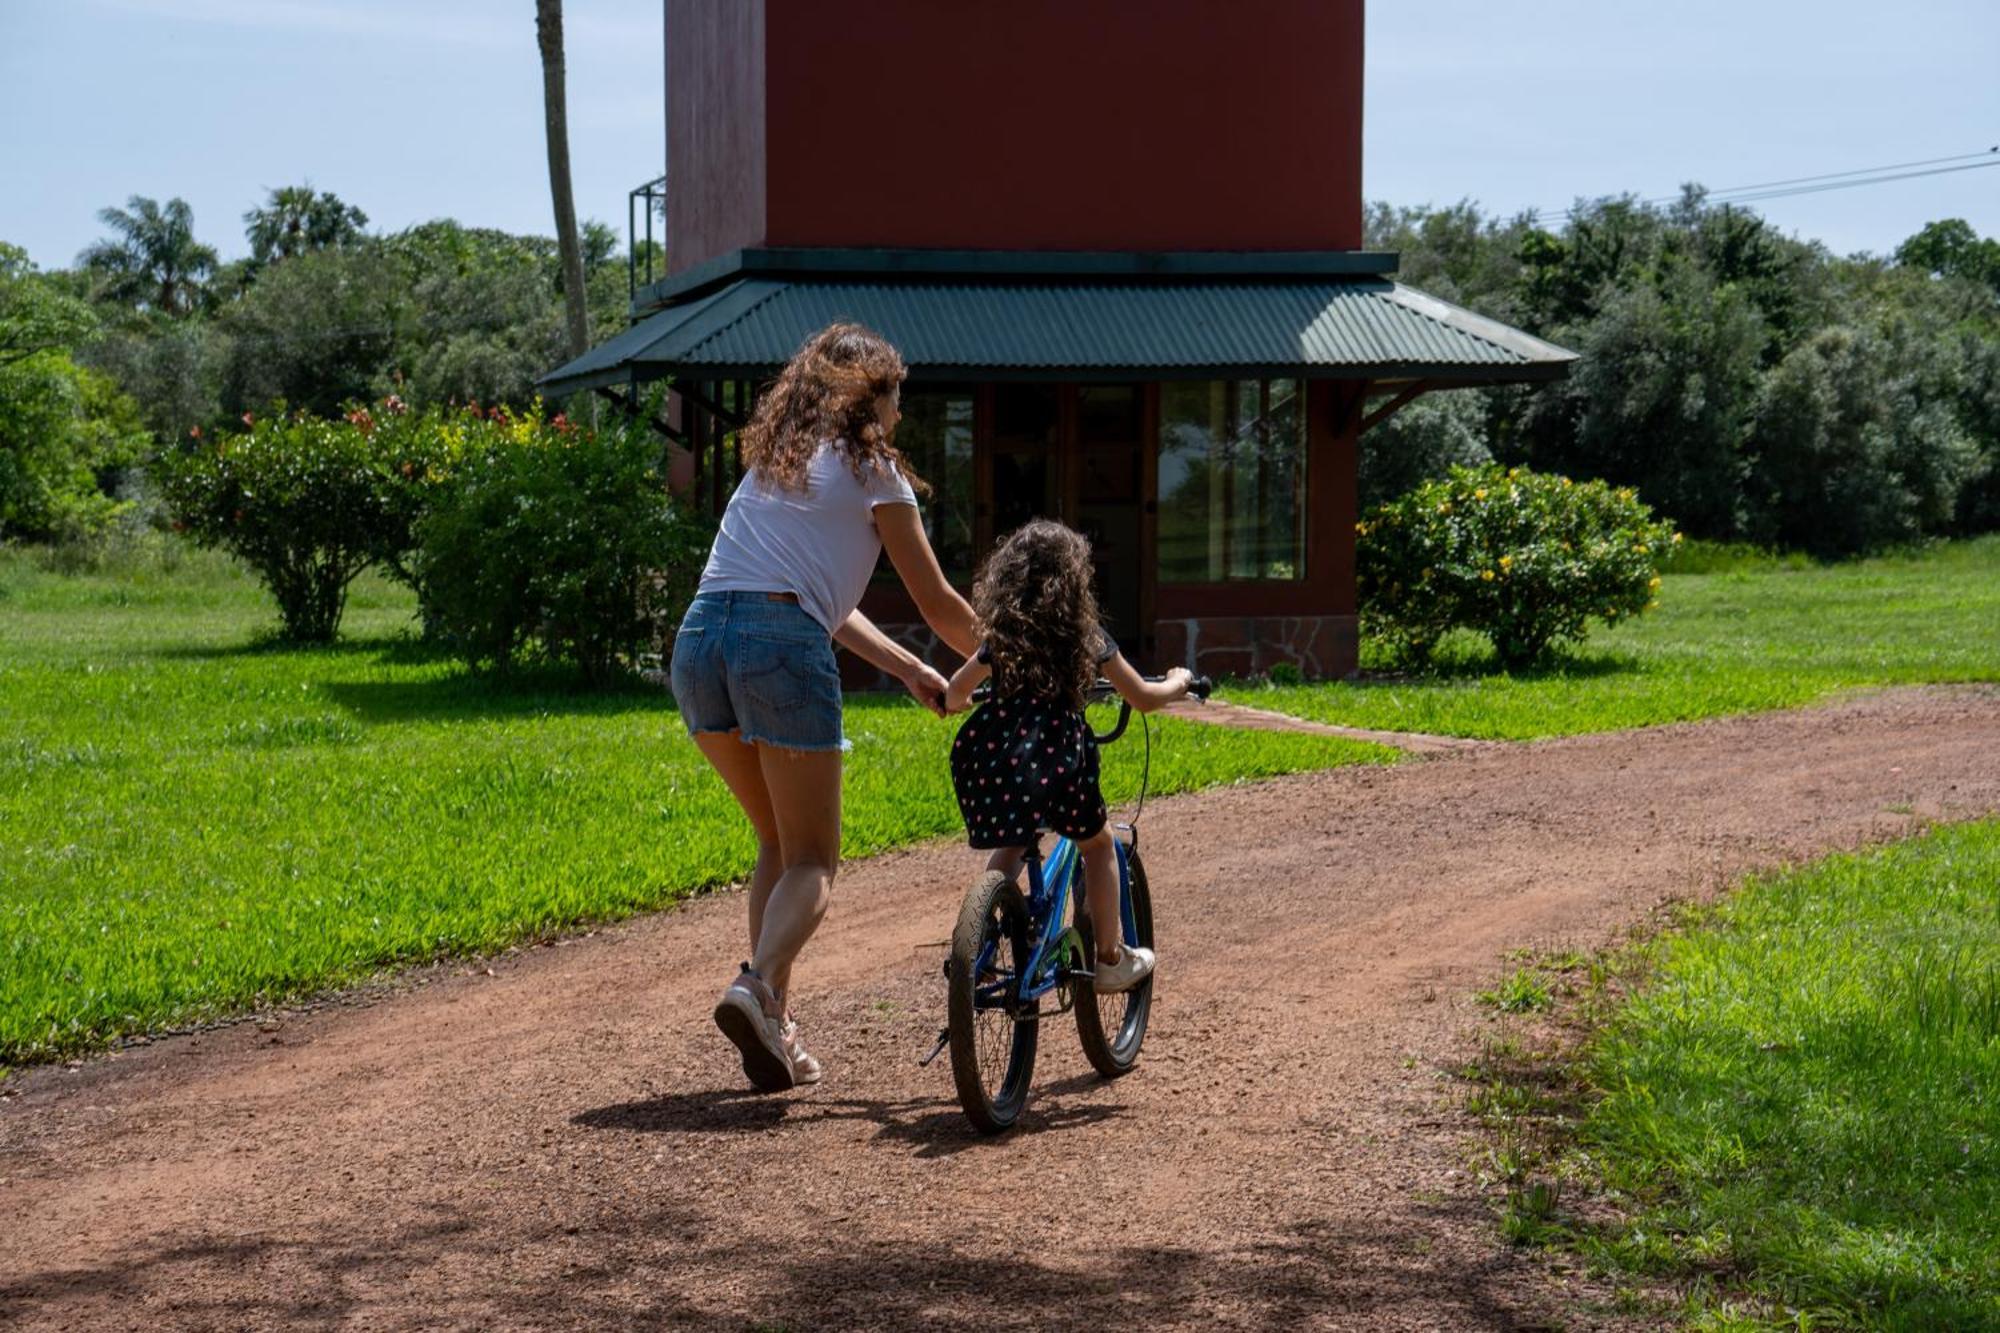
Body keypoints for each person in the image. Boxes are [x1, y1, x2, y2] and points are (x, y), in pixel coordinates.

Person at [670, 322, 978, 1092]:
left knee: (778, 840)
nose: (900, 417)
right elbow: (937, 599)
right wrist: (1016, 647)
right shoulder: (873, 465)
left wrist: (909, 667)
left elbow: (812, 595)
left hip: (700, 643)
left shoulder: (774, 463)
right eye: (895, 399)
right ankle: (757, 985)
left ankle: (771, 1023)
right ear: (869, 397)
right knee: (814, 858)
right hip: (776, 645)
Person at [942, 520, 1192, 991]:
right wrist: (1178, 682)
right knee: (1098, 845)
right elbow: (1142, 696)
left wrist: (963, 699)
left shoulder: (1002, 638)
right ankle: (1110, 959)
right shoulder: (1087, 637)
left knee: (1014, 841)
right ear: (1074, 579)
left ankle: (978, 945)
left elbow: (955, 695)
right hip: (1058, 763)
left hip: (999, 763)